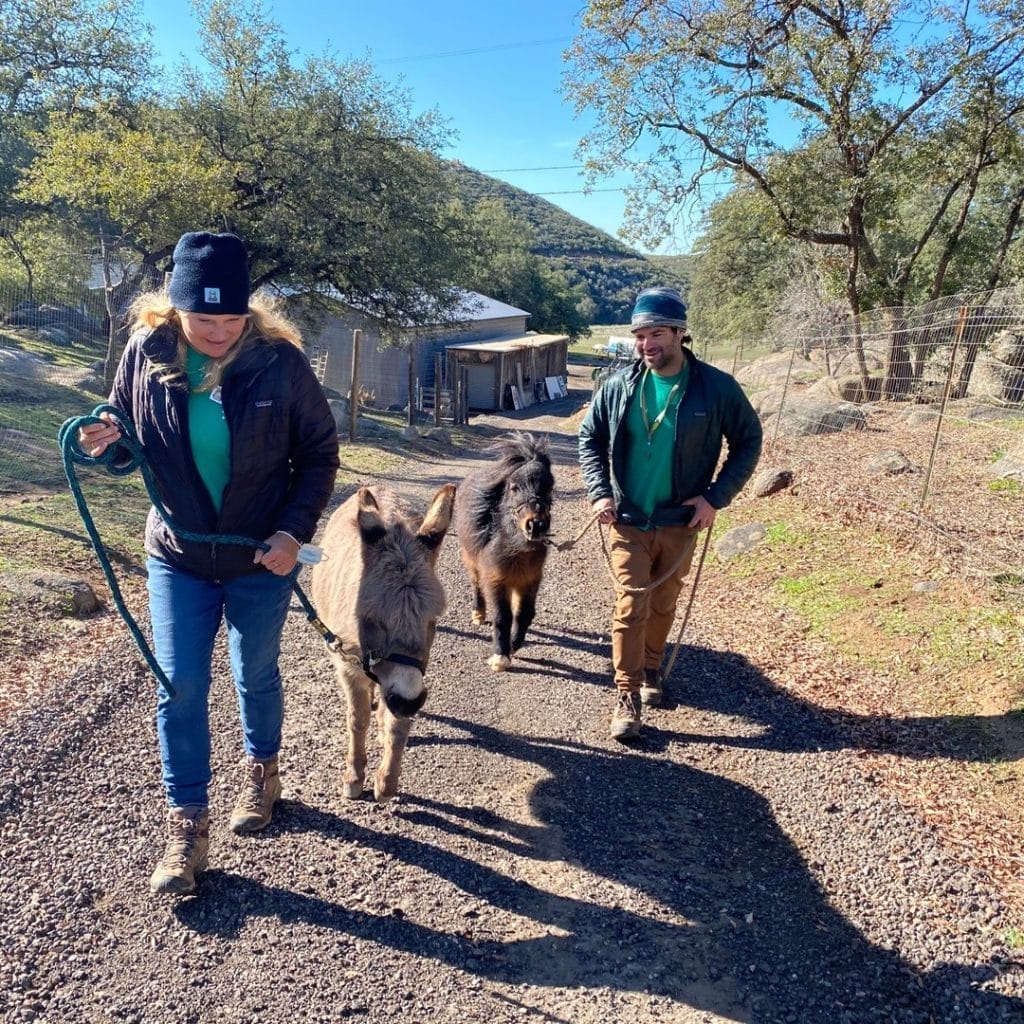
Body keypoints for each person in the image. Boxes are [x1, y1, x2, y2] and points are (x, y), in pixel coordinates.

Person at [78, 232, 340, 894]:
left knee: (254, 672)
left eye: (231, 319)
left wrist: (292, 533)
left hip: (261, 555)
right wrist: (102, 441)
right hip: (179, 554)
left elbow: (318, 454)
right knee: (180, 685)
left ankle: (263, 772)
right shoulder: (146, 352)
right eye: (203, 319)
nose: (219, 332)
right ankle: (187, 826)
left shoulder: (280, 362)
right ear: (176, 309)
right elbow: (126, 440)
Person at [578, 287, 762, 741]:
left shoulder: (716, 388)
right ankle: (626, 693)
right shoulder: (618, 386)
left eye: (657, 333)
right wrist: (600, 493)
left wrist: (715, 498)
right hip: (627, 519)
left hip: (681, 521)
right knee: (630, 603)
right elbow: (590, 438)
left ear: (680, 333)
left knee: (663, 602)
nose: (646, 344)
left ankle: (652, 668)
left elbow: (748, 441)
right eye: (640, 335)